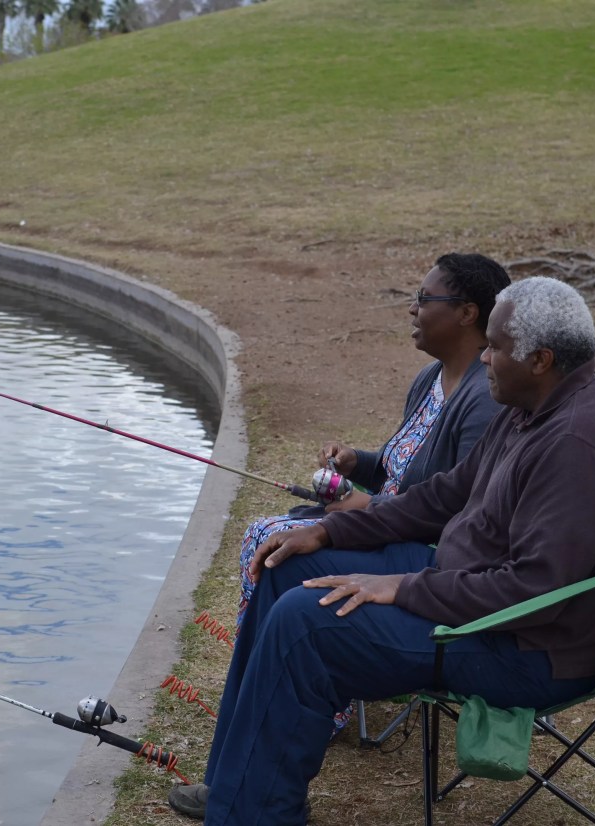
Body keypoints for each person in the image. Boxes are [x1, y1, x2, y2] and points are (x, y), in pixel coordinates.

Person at [169, 277, 595, 824]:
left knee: (306, 624)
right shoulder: (529, 404)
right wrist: (330, 531)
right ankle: (235, 784)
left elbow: (536, 591)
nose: (484, 356)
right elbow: (442, 497)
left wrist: (404, 588)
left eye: (496, 345)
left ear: (541, 359)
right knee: (286, 568)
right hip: (463, 587)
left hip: (522, 645)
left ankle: (252, 813)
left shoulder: (574, 441)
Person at [236, 252, 510, 735]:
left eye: (425, 299)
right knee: (268, 535)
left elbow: (460, 505)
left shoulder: (484, 400)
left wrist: (369, 506)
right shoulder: (430, 379)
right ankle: (284, 696)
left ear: (467, 313)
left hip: (422, 548)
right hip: (384, 523)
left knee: (272, 538)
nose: (413, 310)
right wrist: (354, 462)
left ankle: (314, 699)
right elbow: (395, 464)